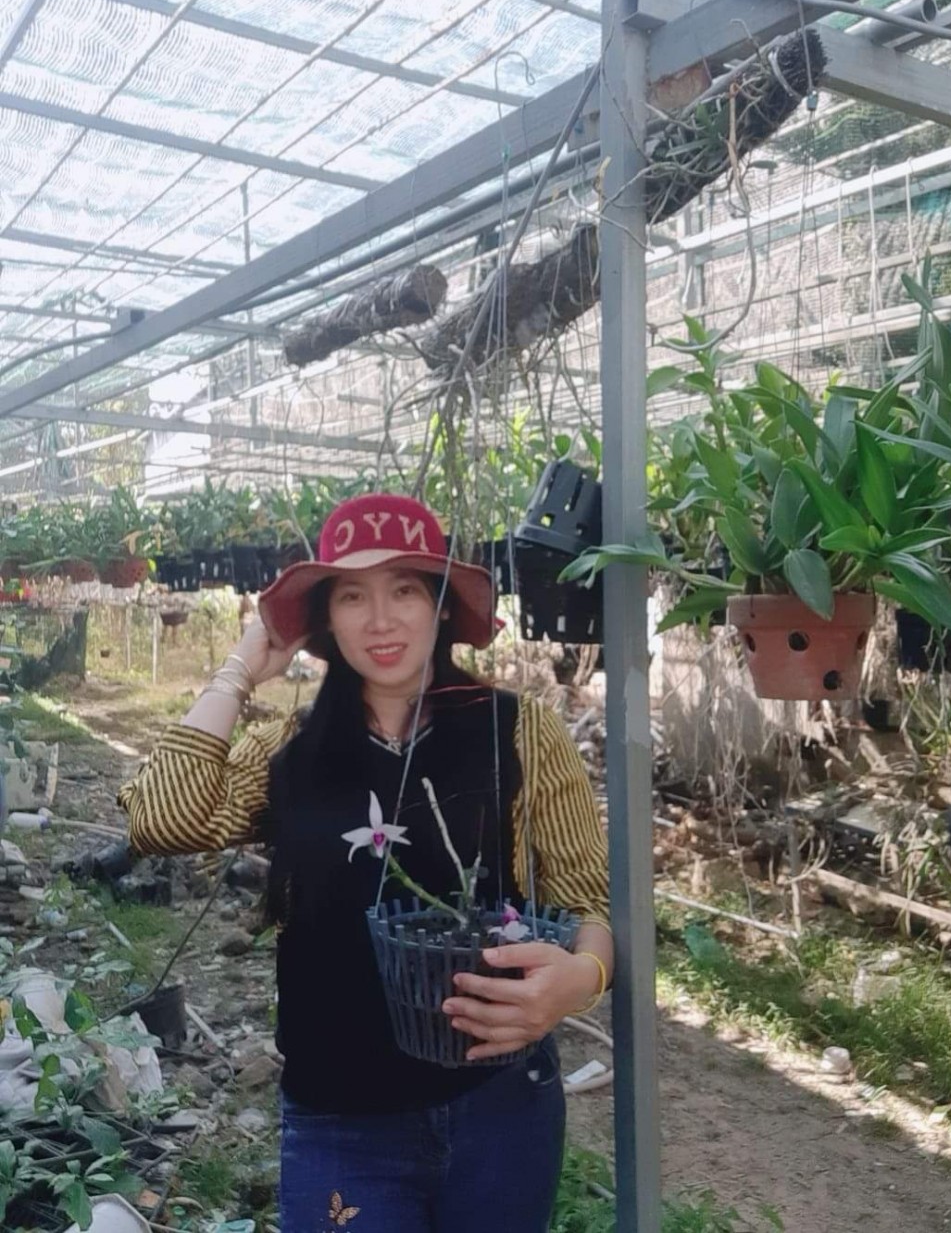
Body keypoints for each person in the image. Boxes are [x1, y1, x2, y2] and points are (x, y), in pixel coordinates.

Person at [118, 492, 612, 1233]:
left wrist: (582, 978)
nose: (380, 620)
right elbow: (160, 820)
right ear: (326, 619)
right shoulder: (292, 749)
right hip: (341, 1120)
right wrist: (239, 670)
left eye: (404, 589)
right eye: (352, 596)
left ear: (441, 605)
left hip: (500, 1105)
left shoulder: (517, 732)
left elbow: (587, 902)